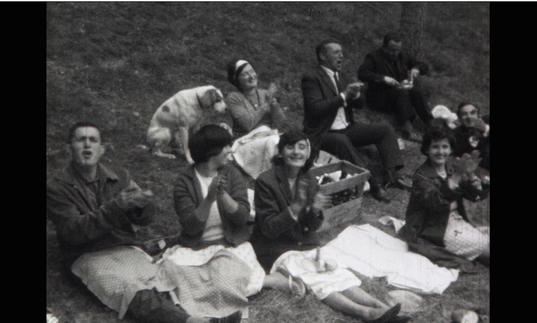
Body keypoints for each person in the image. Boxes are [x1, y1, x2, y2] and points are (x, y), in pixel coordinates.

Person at [47, 122, 241, 323]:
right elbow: (72, 232)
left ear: (101, 149)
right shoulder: (57, 187)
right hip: (85, 255)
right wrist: (116, 207)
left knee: (163, 277)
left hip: (124, 248)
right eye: (81, 140)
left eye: (93, 140)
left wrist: (143, 205)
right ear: (69, 148)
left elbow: (147, 218)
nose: (87, 145)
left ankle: (208, 314)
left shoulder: (118, 176)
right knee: (132, 289)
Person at [252, 130, 407, 323]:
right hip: (276, 248)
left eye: (302, 147)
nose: (296, 152)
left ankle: (381, 308)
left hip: (304, 243)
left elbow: (313, 226)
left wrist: (315, 211)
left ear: (308, 153)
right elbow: (268, 228)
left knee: (334, 271)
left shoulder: (308, 179)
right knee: (314, 276)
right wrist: (296, 209)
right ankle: (365, 313)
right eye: (290, 147)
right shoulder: (266, 181)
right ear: (280, 152)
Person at [172, 125, 306, 316]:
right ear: (212, 151)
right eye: (226, 146)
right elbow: (191, 228)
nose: (230, 150)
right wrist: (209, 199)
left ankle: (271, 280)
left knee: (220, 279)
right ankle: (265, 281)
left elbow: (242, 218)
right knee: (174, 277)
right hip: (197, 247)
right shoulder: (184, 181)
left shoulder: (231, 174)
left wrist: (222, 195)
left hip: (230, 244)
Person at [301, 39, 412, 203]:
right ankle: (373, 184)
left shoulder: (341, 75)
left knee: (384, 129)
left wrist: (357, 95)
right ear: (322, 56)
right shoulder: (311, 78)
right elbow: (315, 109)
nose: (341, 56)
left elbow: (359, 105)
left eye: (342, 52)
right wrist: (344, 96)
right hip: (323, 132)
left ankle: (393, 175)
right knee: (341, 141)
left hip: (346, 127)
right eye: (336, 52)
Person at [398, 121, 490, 267]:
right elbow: (436, 204)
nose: (440, 152)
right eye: (435, 147)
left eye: (445, 146)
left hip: (455, 220)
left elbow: (475, 196)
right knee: (485, 246)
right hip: (433, 228)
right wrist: (457, 177)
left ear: (451, 149)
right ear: (427, 149)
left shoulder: (450, 168)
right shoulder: (421, 176)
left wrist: (472, 176)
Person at [224, 59, 291, 179]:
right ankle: (273, 179)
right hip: (246, 142)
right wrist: (267, 104)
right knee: (274, 143)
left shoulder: (265, 94)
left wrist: (274, 105)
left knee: (291, 140)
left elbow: (281, 124)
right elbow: (247, 124)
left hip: (269, 137)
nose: (251, 76)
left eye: (252, 72)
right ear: (236, 80)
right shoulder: (233, 98)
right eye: (245, 74)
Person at [358, 32, 432, 140]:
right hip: (379, 97)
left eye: (397, 50)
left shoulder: (402, 56)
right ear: (384, 47)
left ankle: (430, 124)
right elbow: (362, 73)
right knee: (401, 93)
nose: (395, 53)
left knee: (416, 91)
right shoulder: (373, 57)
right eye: (392, 50)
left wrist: (416, 69)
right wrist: (383, 79)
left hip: (398, 95)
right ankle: (406, 128)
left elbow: (423, 66)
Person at [453, 102, 489, 170]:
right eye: (464, 114)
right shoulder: (454, 134)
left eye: (472, 113)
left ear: (478, 116)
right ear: (459, 118)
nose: (469, 116)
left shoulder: (486, 131)